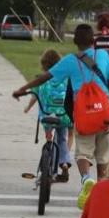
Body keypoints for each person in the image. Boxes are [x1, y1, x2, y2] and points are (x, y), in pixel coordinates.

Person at [12, 24, 109, 210]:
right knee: (103, 155)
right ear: (93, 40)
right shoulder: (104, 56)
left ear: (75, 42)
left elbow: (45, 77)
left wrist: (23, 89)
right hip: (104, 113)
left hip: (84, 112)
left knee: (82, 152)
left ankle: (87, 179)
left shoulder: (70, 60)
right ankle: (102, 189)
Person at [22, 49, 72, 182]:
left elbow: (34, 96)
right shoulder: (66, 79)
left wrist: (27, 107)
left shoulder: (41, 79)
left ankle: (50, 164)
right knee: (62, 139)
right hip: (64, 116)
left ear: (44, 65)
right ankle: (65, 163)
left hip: (47, 117)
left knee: (50, 139)